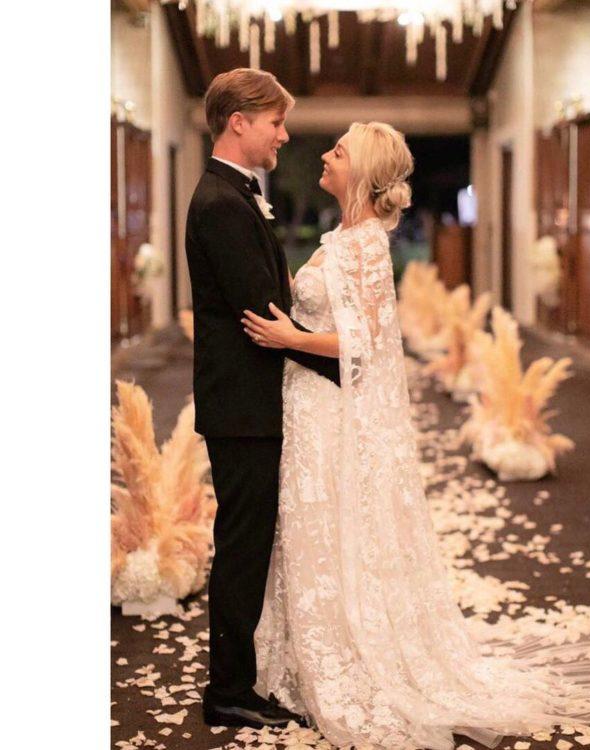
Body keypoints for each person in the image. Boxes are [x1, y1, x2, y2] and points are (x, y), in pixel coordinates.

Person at [243, 121, 590, 749]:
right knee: (313, 526)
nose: (325, 155)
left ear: (362, 173)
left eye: (338, 152)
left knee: (333, 522)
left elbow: (368, 343)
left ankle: (350, 656)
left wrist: (292, 338)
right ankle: (313, 652)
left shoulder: (367, 245)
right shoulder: (339, 238)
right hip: (309, 405)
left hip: (332, 409)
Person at [184, 68, 340, 729]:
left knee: (247, 543)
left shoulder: (235, 194)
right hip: (243, 407)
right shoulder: (222, 203)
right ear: (238, 122)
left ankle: (237, 683)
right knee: (243, 546)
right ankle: (228, 691)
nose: (284, 135)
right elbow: (262, 312)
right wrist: (344, 363)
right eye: (275, 122)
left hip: (248, 402)